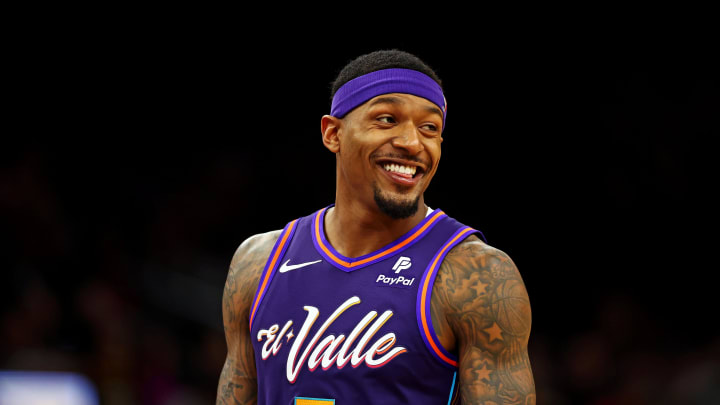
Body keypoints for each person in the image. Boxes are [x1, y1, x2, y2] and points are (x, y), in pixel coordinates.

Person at [217, 49, 535, 405]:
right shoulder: (257, 263)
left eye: (429, 127)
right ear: (333, 133)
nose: (412, 143)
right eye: (386, 119)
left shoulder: (476, 274)